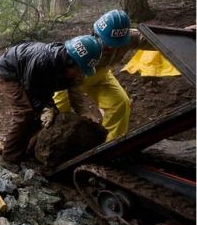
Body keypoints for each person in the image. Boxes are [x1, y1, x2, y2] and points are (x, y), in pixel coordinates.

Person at [0, 35, 102, 171]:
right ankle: (8, 160)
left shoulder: (71, 72)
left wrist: (82, 113)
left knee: (47, 119)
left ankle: (26, 152)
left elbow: (74, 93)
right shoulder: (42, 61)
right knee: (25, 113)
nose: (81, 74)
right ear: (70, 61)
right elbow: (30, 88)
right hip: (9, 72)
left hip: (33, 79)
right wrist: (45, 108)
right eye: (79, 69)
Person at [53, 10, 155, 142]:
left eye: (114, 44)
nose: (109, 47)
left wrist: (182, 33)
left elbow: (151, 38)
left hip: (101, 75)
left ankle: (111, 146)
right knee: (60, 110)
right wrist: (82, 112)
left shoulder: (127, 37)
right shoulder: (83, 50)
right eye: (106, 41)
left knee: (120, 103)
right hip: (68, 80)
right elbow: (72, 85)